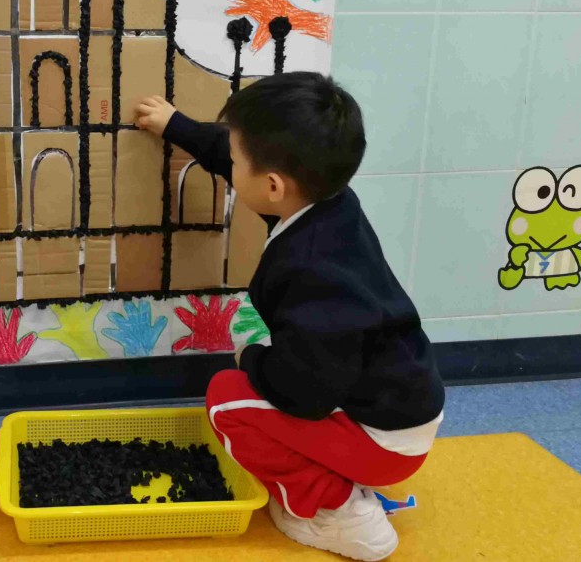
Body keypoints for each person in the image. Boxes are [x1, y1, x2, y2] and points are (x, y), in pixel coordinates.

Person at [135, 73, 444, 562]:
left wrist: (251, 357)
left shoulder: (312, 270)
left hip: (382, 442)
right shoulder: (327, 204)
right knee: (262, 380)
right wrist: (177, 126)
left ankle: (339, 512)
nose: (230, 164)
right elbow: (238, 158)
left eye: (236, 160)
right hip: (395, 404)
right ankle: (341, 478)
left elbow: (304, 395)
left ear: (274, 185)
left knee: (226, 399)